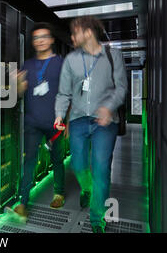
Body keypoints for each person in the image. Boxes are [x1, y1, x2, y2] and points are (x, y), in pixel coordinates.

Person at [54, 16, 127, 233]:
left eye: (75, 32)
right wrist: (59, 114)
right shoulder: (71, 60)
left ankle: (97, 220)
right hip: (77, 119)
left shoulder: (113, 56)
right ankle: (88, 189)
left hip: (105, 122)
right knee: (78, 165)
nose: (72, 37)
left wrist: (109, 107)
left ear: (87, 32)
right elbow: (64, 92)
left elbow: (121, 88)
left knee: (102, 169)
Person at [13, 22, 66, 220]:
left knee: (57, 158)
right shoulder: (27, 64)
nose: (40, 41)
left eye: (44, 36)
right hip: (32, 121)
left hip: (54, 122)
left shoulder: (61, 63)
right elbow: (19, 93)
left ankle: (59, 193)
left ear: (51, 39)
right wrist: (18, 82)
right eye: (36, 38)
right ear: (33, 42)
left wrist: (66, 118)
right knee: (29, 160)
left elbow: (67, 92)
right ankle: (23, 202)